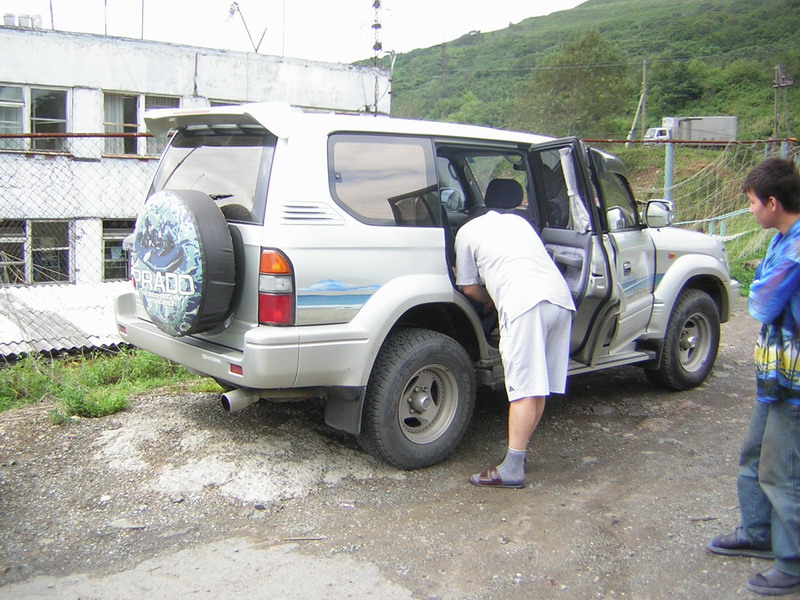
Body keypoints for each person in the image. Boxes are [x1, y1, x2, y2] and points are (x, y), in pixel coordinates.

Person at [706, 157, 800, 596]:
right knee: (754, 454)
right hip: (774, 376)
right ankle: (758, 532)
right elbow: (763, 288)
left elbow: (760, 302)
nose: (749, 210)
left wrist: (761, 285)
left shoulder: (797, 248)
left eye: (750, 202)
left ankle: (792, 561)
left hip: (794, 382)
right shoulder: (782, 239)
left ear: (773, 202)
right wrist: (763, 283)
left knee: (783, 470)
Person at [454, 178, 575, 489]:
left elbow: (467, 287)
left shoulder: (466, 231)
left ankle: (512, 468)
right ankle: (518, 454)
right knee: (538, 385)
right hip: (560, 301)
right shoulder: (521, 223)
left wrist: (489, 303)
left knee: (521, 386)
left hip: (524, 304)